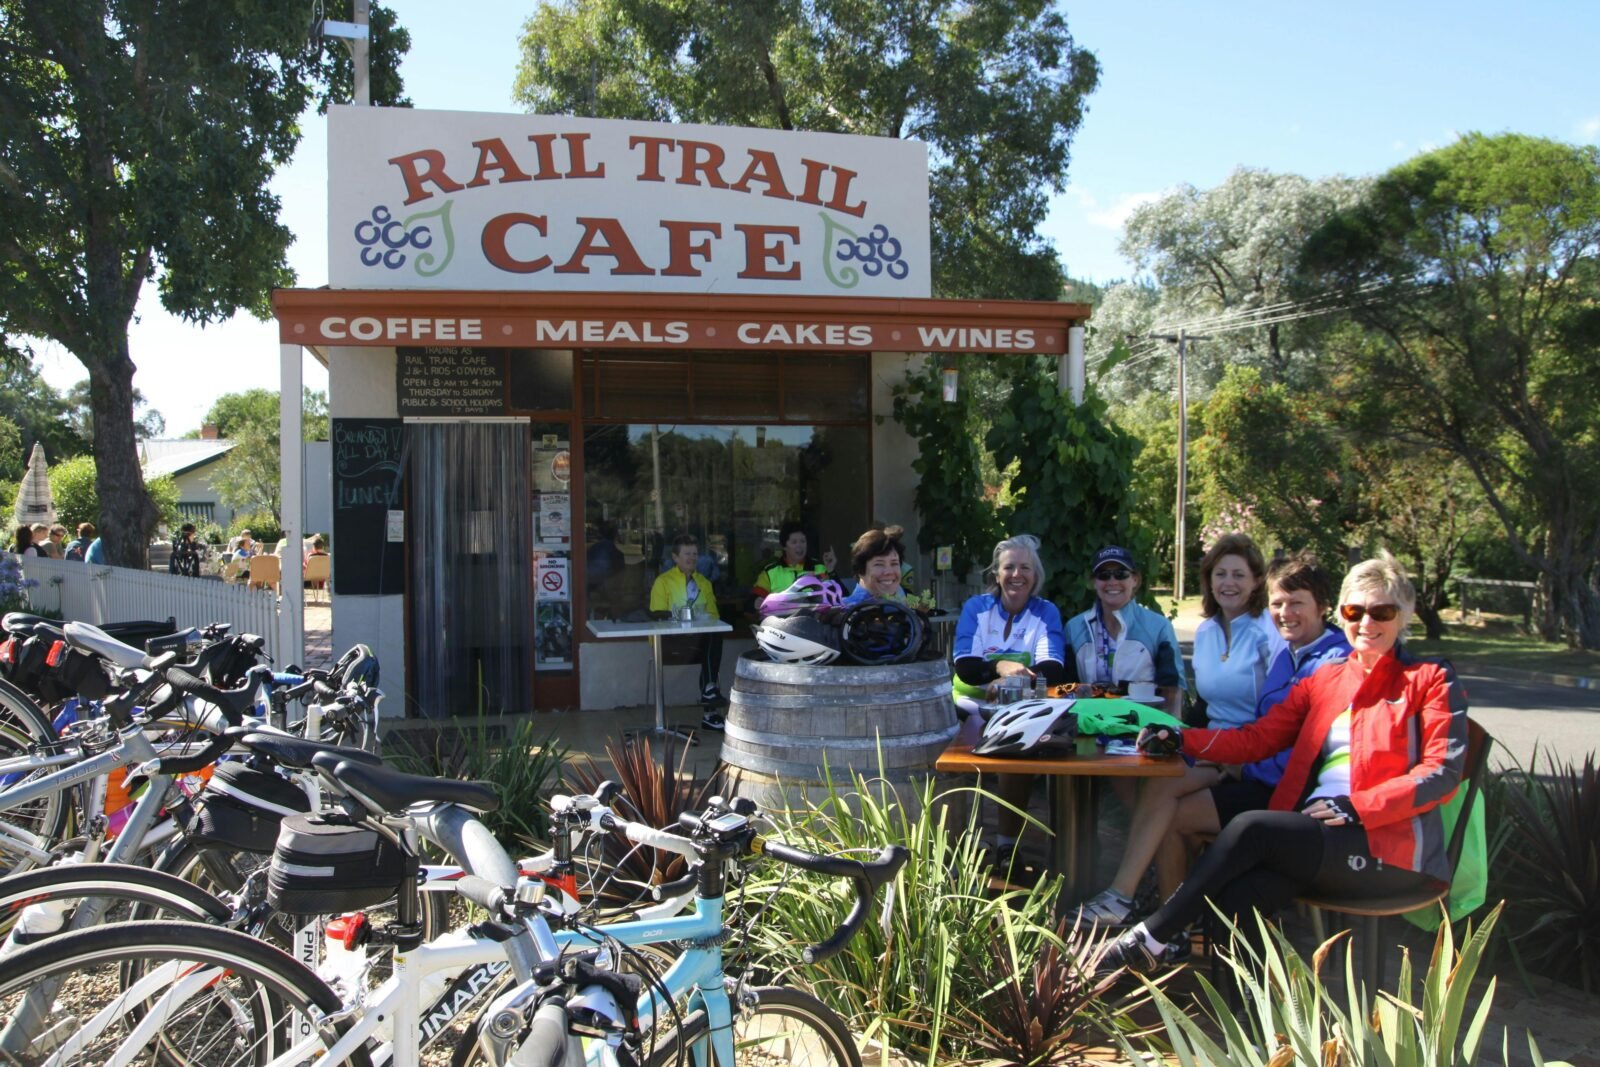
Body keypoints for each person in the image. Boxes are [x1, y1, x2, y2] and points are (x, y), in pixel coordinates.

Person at [1100, 552, 1465, 974]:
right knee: (1234, 901)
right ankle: (1250, 1014)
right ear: (1342, 614)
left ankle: (1152, 936)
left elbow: (1441, 772)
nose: (1366, 623)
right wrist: (1182, 739)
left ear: (1405, 616)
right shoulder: (1327, 679)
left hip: (1387, 850)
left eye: (1381, 612)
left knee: (1251, 827)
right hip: (1320, 837)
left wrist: (1357, 807)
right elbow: (1259, 738)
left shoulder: (1429, 678)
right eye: (1355, 611)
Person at [1080, 545, 1343, 925]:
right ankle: (1161, 913)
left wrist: (1236, 762)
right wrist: (1190, 740)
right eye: (1220, 574)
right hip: (1233, 750)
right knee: (1150, 777)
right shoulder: (1268, 646)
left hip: (1265, 771)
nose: (1228, 583)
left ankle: (1145, 908)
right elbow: (1212, 707)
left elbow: (1292, 738)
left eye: (1239, 574)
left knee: (1166, 800)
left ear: (1256, 582)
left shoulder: (1286, 642)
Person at [951, 534, 1072, 853]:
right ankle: (959, 842)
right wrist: (1001, 666)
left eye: (1025, 568)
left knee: (1016, 749)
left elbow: (1052, 669)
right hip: (968, 706)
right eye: (1009, 567)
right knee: (953, 759)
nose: (1017, 574)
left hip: (1020, 709)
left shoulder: (1046, 612)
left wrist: (1007, 683)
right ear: (996, 574)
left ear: (1036, 575)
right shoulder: (976, 608)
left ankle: (1007, 846)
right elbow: (966, 666)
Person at [1065, 546, 1183, 717]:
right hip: (1090, 724)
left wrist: (1170, 727)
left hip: (1143, 726)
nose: (1112, 581)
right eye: (1103, 575)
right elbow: (1066, 688)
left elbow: (1173, 688)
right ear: (1094, 582)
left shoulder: (1158, 626)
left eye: (1121, 574)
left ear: (1135, 579)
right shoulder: (1074, 627)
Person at [649, 534, 726, 730]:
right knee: (710, 645)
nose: (692, 558)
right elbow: (657, 617)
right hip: (668, 643)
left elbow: (714, 617)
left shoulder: (704, 583)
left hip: (696, 642)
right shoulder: (663, 581)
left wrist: (701, 619)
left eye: (695, 554)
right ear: (675, 557)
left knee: (714, 636)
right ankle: (710, 703)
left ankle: (709, 696)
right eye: (687, 554)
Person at [753, 521, 837, 606]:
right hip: (782, 614)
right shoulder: (770, 572)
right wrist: (757, 602)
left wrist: (831, 571)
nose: (799, 545)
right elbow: (753, 602)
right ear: (784, 546)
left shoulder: (819, 568)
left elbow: (838, 598)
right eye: (794, 542)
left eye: (803, 541)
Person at [841, 525, 911, 606]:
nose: (889, 572)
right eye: (879, 564)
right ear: (860, 570)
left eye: (894, 563)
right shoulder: (848, 609)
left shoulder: (902, 598)